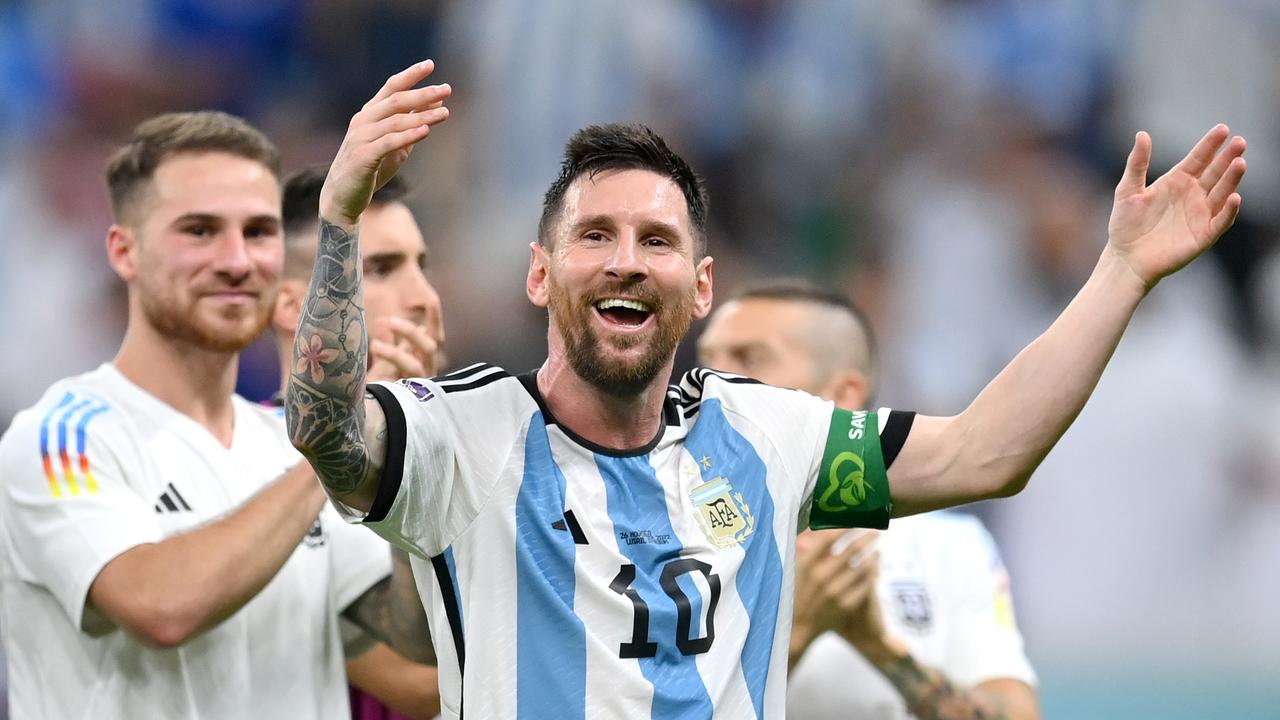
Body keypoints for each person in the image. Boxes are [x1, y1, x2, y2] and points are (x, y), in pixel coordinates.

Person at [286, 60, 1245, 718]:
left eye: (657, 242)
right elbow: (323, 429)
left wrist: (1120, 271)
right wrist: (337, 218)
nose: (627, 263)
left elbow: (986, 452)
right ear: (540, 274)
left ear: (701, 287)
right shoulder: (458, 431)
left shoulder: (765, 434)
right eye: (596, 237)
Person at [0, 111, 426, 718]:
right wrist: (331, 446)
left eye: (257, 232)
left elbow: (414, 656)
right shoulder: (60, 437)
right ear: (124, 251)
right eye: (199, 231)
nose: (236, 260)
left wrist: (409, 456)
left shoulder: (282, 448)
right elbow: (160, 607)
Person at [697, 283, 1039, 719]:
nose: (710, 380)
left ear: (842, 397)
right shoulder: (665, 528)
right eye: (707, 359)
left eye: (750, 358)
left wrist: (877, 646)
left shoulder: (947, 546)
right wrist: (797, 628)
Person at [274, 165, 443, 720]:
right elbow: (424, 683)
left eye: (422, 265)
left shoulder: (472, 443)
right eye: (382, 269)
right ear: (293, 305)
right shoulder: (245, 460)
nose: (423, 297)